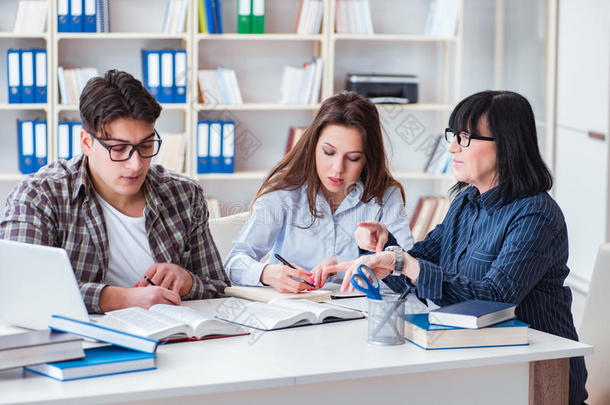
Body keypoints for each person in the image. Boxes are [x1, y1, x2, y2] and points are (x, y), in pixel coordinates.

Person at [327, 90, 588, 404]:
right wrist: (384, 251)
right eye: (453, 135)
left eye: (464, 138)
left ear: (506, 145)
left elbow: (494, 300)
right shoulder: (466, 201)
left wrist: (405, 264)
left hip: (536, 374)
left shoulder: (536, 215)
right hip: (473, 356)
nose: (451, 147)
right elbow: (418, 270)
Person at [0, 70, 229, 314]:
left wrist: (187, 281)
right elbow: (18, 288)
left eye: (146, 146)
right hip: (81, 345)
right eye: (119, 149)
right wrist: (123, 298)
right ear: (87, 143)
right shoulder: (39, 195)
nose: (136, 164)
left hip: (174, 341)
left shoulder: (184, 195)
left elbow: (219, 287)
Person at [224, 91, 414, 293]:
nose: (337, 168)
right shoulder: (284, 191)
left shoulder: (385, 195)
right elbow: (234, 263)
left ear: (368, 158)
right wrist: (267, 273)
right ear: (313, 145)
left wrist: (342, 266)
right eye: (328, 152)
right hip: (297, 316)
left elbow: (411, 267)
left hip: (364, 314)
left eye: (353, 158)